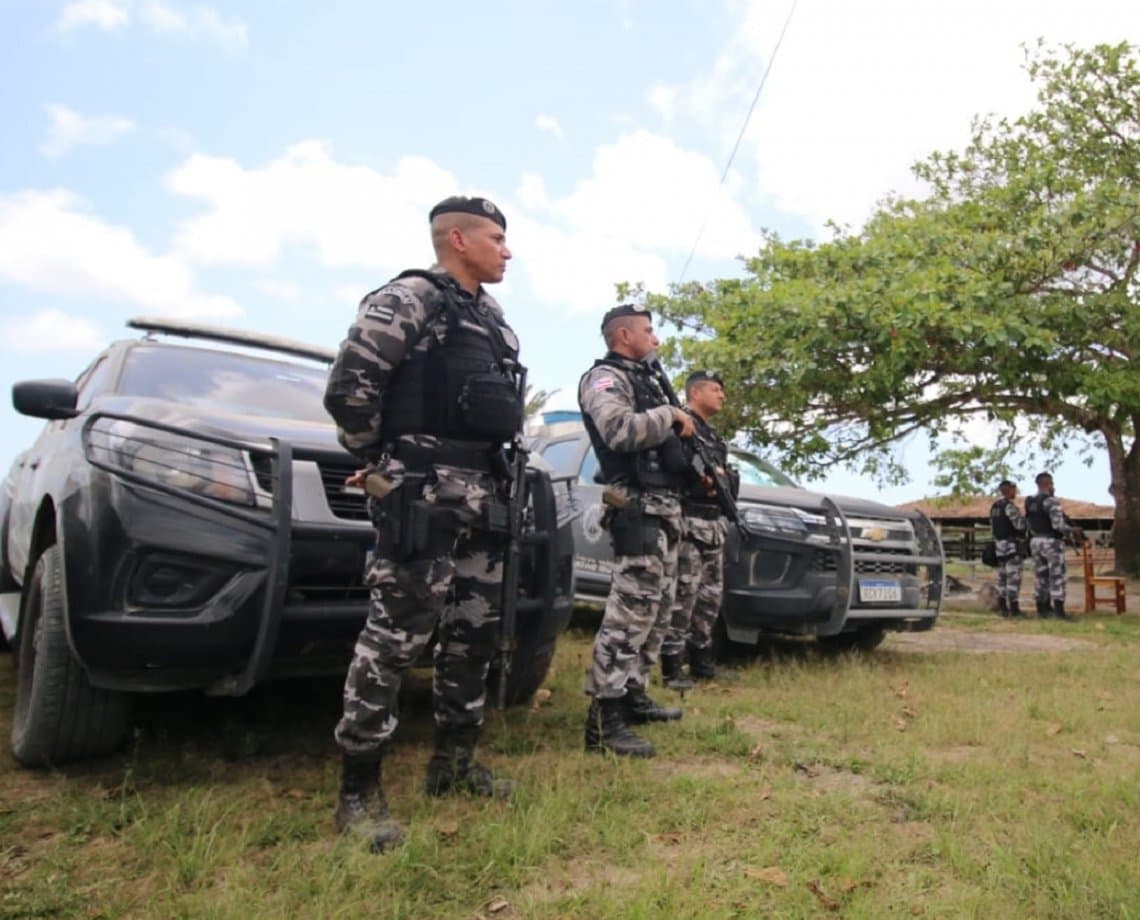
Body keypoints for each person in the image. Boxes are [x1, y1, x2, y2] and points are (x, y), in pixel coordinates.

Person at [323, 195, 522, 852]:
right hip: (421, 495)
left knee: (474, 637)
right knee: (395, 640)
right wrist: (381, 463)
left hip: (482, 495)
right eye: (496, 238)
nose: (507, 251)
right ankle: (359, 789)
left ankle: (454, 766)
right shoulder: (409, 297)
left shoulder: (490, 318)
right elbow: (350, 384)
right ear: (457, 240)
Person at [578, 304, 695, 758]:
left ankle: (633, 695)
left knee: (657, 612)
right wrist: (669, 415)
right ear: (623, 336)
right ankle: (603, 720)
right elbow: (618, 431)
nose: (657, 339)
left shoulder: (647, 380)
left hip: (664, 512)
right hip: (637, 510)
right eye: (649, 331)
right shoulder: (605, 379)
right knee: (628, 616)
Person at [660, 370, 735, 687]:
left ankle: (702, 660)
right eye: (716, 390)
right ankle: (672, 665)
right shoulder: (680, 426)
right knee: (683, 596)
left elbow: (725, 479)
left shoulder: (713, 436)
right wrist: (698, 477)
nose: (722, 396)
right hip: (688, 522)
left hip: (712, 524)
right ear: (696, 393)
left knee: (710, 597)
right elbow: (674, 466)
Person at [1024, 472, 1084, 620]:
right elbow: (1058, 526)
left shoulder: (1029, 501)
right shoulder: (1052, 502)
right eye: (1052, 484)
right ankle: (1059, 612)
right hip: (1051, 542)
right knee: (1057, 576)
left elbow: (1028, 522)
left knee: (1040, 576)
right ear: (1049, 484)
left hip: (1036, 541)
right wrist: (1073, 530)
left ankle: (1042, 609)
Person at [989, 479, 1027, 618]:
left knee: (1001, 579)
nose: (1015, 492)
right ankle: (1014, 610)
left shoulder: (994, 507)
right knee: (1013, 578)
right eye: (1014, 489)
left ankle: (1002, 608)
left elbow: (993, 528)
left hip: (999, 547)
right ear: (1008, 490)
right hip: (1011, 547)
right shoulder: (1009, 506)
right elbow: (1020, 526)